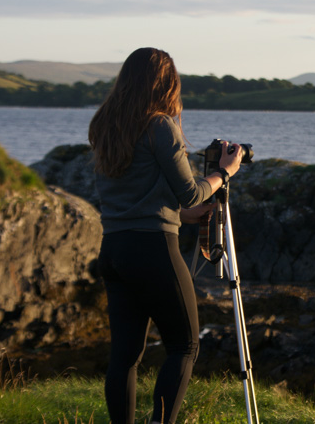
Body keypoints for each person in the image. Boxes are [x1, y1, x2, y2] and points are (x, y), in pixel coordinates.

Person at [88, 47, 243, 424]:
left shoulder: (104, 124)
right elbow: (190, 191)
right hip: (153, 249)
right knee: (185, 345)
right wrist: (225, 171)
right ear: (165, 82)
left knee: (124, 356)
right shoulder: (159, 125)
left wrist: (181, 217)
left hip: (115, 250)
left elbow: (136, 192)